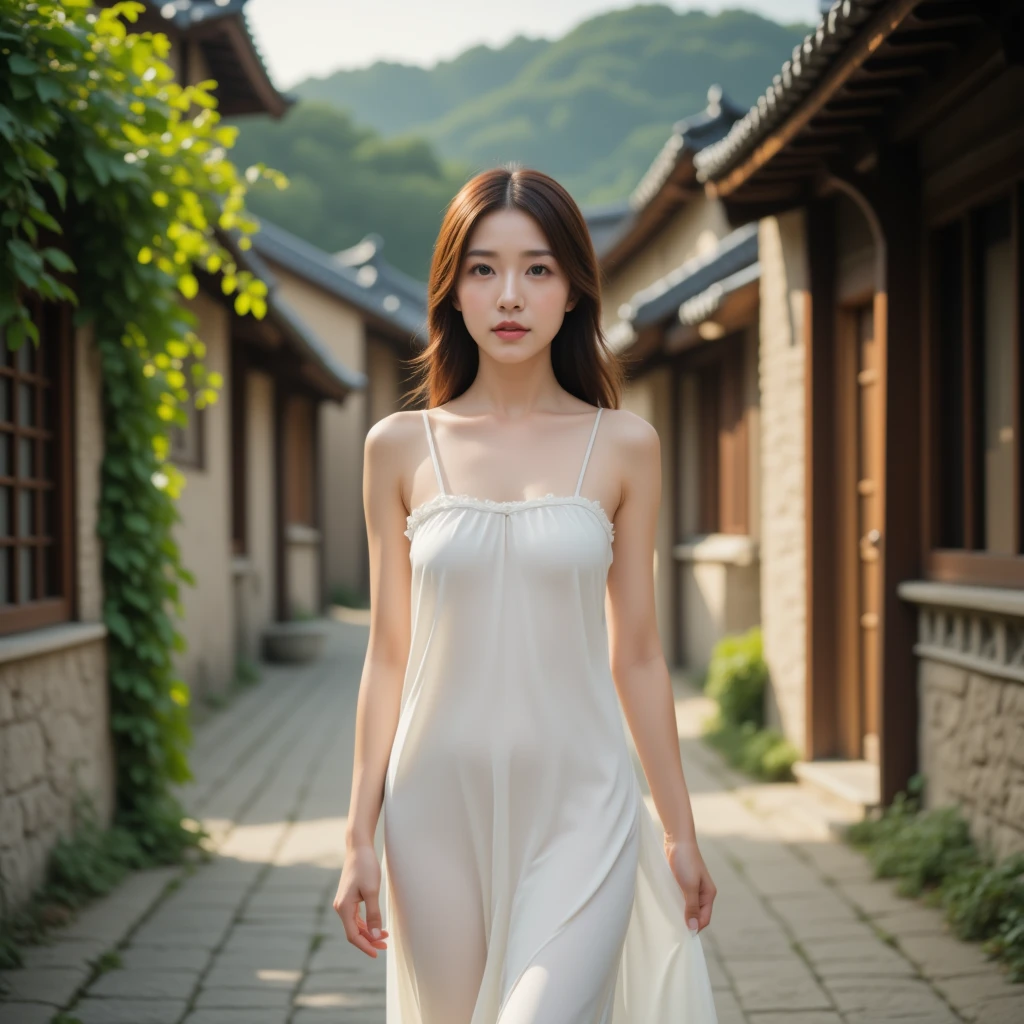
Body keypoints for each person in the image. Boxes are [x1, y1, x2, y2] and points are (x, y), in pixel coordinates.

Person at [334, 165, 719, 1023]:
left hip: (583, 802)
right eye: (483, 268)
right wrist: (359, 834)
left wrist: (679, 829)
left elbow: (640, 652)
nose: (510, 294)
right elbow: (388, 653)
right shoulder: (397, 447)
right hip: (432, 805)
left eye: (538, 269)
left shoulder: (624, 445)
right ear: (453, 290)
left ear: (575, 289)